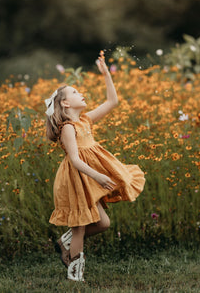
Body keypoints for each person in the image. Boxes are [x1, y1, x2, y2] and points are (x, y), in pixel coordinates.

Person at [45, 53, 145, 281]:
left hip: (89, 177)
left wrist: (107, 75)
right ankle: (75, 274)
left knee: (103, 223)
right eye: (75, 92)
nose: (81, 94)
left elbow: (112, 102)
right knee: (80, 226)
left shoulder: (85, 121)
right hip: (77, 177)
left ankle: (65, 241)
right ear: (65, 103)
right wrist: (98, 176)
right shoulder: (68, 127)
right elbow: (74, 160)